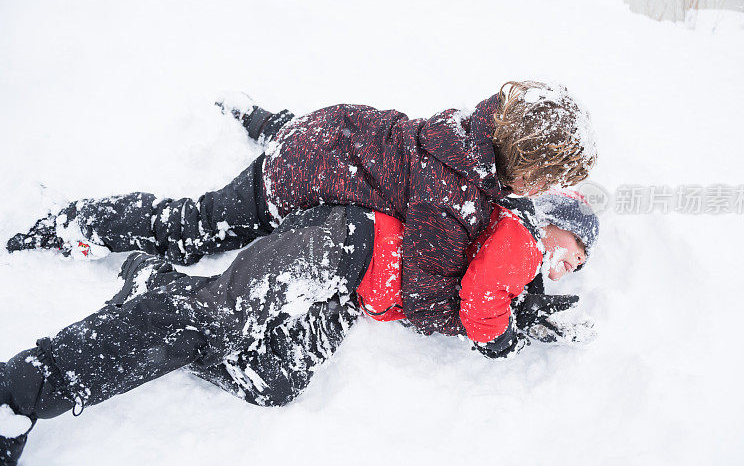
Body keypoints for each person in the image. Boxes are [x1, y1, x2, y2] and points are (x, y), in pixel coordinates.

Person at [0, 189, 599, 465]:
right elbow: (481, 310)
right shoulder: (518, 231)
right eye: (574, 246)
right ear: (554, 223)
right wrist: (513, 331)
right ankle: (23, 390)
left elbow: (488, 295)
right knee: (211, 321)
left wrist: (529, 311)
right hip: (340, 245)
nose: (572, 264)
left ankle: (158, 286)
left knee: (273, 381)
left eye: (579, 265)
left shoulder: (518, 268)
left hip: (345, 292)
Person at [7, 80, 598, 340]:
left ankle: (264, 120)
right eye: (545, 178)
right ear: (521, 164)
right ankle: (71, 222)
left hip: (333, 130)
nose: (542, 189)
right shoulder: (452, 196)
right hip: (295, 177)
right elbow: (423, 298)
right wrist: (502, 318)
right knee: (193, 225)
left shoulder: (468, 133)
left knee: (300, 138)